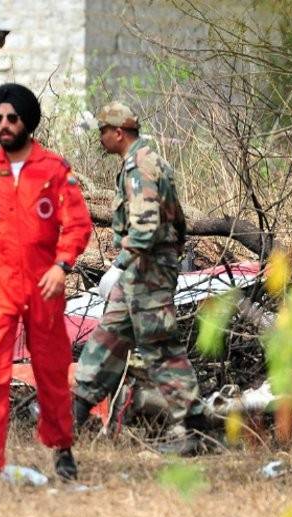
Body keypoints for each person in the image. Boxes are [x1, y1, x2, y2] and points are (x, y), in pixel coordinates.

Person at [0, 83, 93, 489]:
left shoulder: (53, 169)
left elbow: (78, 225)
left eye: (12, 118)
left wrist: (62, 266)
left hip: (43, 290)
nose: (4, 125)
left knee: (51, 373)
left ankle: (62, 448)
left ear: (27, 122)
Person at [72, 102, 203, 452]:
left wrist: (118, 265)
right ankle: (71, 417)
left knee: (159, 347)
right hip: (139, 272)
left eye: (102, 131)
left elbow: (145, 230)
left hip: (149, 271)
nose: (99, 138)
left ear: (118, 133)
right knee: (108, 336)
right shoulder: (139, 163)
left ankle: (195, 430)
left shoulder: (141, 167)